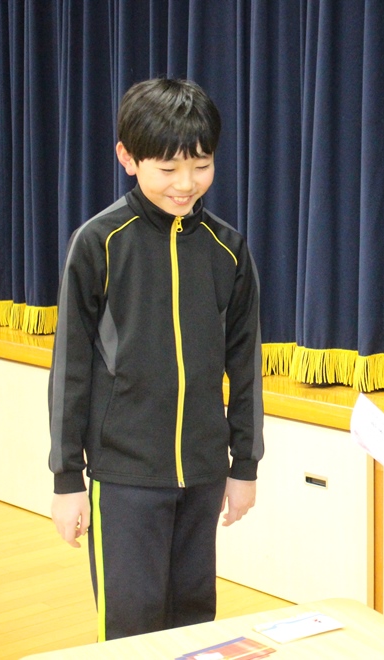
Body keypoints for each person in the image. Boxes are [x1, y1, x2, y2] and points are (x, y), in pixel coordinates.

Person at [48, 78, 263, 641]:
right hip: (125, 476)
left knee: (195, 623)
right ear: (127, 158)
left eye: (201, 165)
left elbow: (244, 367)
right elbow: (70, 369)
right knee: (131, 630)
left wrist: (244, 466)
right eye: (168, 169)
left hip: (203, 471)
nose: (186, 184)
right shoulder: (99, 242)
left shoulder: (228, 248)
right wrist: (67, 478)